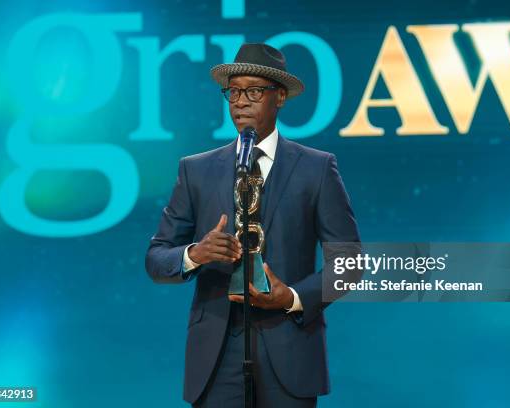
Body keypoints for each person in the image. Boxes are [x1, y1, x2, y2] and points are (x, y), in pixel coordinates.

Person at [145, 42, 360, 407]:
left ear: (279, 98)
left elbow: (349, 263)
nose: (240, 101)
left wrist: (292, 297)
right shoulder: (195, 170)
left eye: (254, 91)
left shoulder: (317, 168)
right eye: (233, 91)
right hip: (215, 356)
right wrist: (195, 254)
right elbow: (156, 259)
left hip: (289, 352)